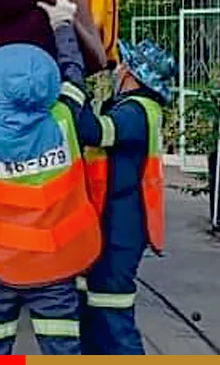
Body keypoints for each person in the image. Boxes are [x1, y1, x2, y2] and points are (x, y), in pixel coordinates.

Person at [0, 0, 102, 356]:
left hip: (1, 263)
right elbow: (74, 76)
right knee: (61, 345)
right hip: (57, 260)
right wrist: (63, 23)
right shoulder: (65, 120)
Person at [71, 36, 172, 355]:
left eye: (122, 65)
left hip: (120, 226)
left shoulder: (135, 112)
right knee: (94, 313)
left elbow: (91, 131)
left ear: (132, 73)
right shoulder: (135, 110)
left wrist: (71, 86)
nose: (118, 70)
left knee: (112, 317)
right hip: (114, 223)